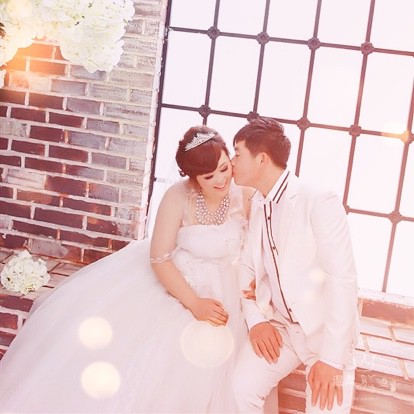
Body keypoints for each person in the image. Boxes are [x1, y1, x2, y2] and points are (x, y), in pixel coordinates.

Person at [0, 125, 251, 413]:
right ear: (194, 178)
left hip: (229, 288)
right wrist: (194, 303)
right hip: (180, 283)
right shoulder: (178, 195)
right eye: (209, 176)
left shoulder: (244, 193)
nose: (221, 179)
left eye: (224, 168)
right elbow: (160, 258)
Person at [231, 116, 359, 413]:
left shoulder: (318, 200)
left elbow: (342, 280)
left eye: (237, 154)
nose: (232, 162)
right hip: (283, 329)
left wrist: (331, 359)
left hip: (325, 335)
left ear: (261, 159)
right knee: (240, 389)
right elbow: (247, 268)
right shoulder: (258, 203)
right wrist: (257, 320)